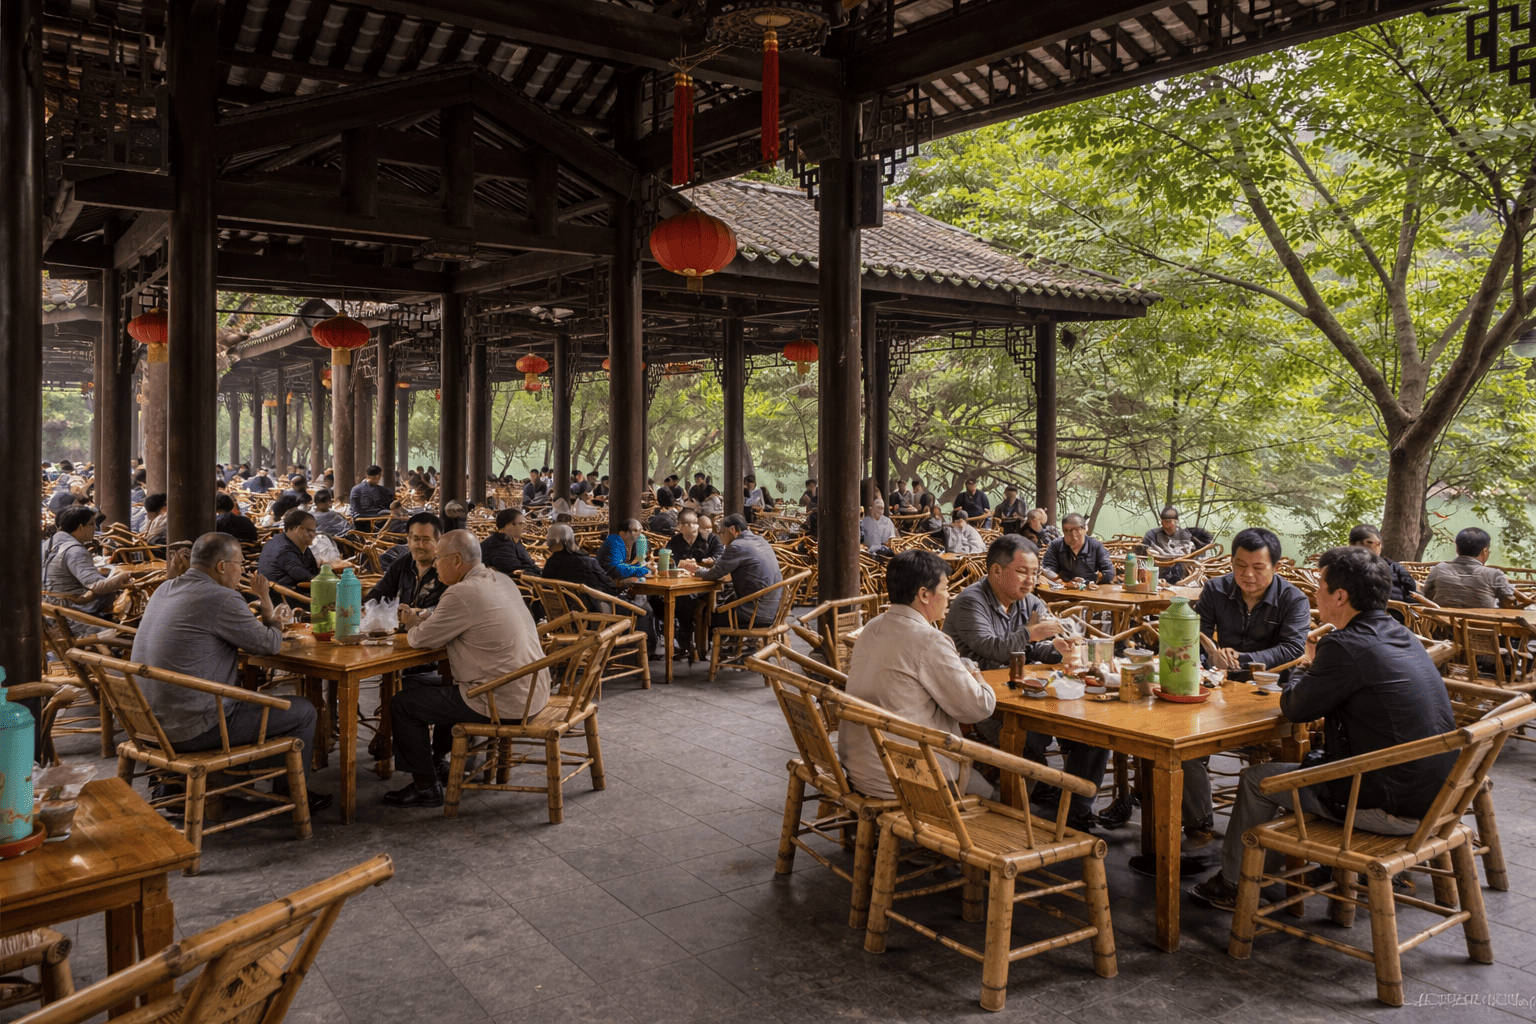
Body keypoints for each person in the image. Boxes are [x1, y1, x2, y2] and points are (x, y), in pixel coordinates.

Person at [1188, 546, 1457, 910]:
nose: (1316, 592)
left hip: (1388, 805)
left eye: (1321, 585)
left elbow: (1295, 708)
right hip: (1440, 798)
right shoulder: (1401, 634)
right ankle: (1273, 869)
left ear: (1340, 596)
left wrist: (1307, 664)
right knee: (1300, 771)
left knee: (1257, 780)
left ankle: (1234, 883)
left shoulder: (1346, 645)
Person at [130, 532, 329, 811]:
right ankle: (292, 796)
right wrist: (268, 606)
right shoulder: (221, 598)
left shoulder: (164, 589)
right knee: (303, 711)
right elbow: (269, 644)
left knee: (253, 702)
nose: (243, 571)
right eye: (240, 564)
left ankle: (189, 782)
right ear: (222, 566)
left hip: (147, 723)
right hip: (193, 729)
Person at [943, 536, 1105, 829]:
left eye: (1035, 572)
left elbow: (1036, 648)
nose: (1031, 580)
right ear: (995, 571)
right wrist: (1031, 634)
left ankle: (1076, 810)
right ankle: (1023, 811)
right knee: (1028, 740)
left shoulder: (1029, 601)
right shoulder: (970, 602)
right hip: (982, 701)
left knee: (1092, 732)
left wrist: (1057, 648)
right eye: (1021, 572)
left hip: (1027, 693)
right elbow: (991, 647)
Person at [384, 531, 550, 807]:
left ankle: (425, 786)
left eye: (438, 558)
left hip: (501, 699)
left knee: (403, 704)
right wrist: (424, 616)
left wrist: (412, 622)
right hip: (532, 689)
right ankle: (436, 762)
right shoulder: (501, 579)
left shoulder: (460, 592)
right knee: (430, 686)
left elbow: (419, 640)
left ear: (457, 560)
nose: (435, 564)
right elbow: (456, 617)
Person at [1181, 527, 1312, 845]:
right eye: (1240, 565)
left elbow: (1293, 648)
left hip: (1269, 695)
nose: (1247, 575)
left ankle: (1270, 831)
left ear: (1275, 567)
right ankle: (1199, 821)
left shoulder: (1292, 599)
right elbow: (1197, 634)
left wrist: (1243, 659)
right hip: (1219, 689)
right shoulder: (1216, 589)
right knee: (1180, 743)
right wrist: (1208, 657)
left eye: (1257, 567)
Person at [840, 550, 997, 799]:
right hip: (907, 777)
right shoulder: (929, 640)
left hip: (861, 766)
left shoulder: (872, 626)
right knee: (998, 795)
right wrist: (975, 673)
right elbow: (979, 707)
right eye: (945, 588)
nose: (949, 596)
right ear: (924, 594)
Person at [685, 513, 783, 627]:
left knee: (708, 616)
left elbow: (714, 574)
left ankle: (706, 638)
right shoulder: (761, 540)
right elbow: (725, 564)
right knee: (725, 602)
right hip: (774, 610)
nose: (721, 537)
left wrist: (694, 571)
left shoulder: (737, 545)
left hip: (754, 613)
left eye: (722, 533)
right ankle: (732, 638)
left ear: (732, 529)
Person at [43, 505, 131, 629]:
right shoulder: (75, 550)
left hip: (47, 610)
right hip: (71, 615)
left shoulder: (47, 544)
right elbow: (97, 586)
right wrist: (126, 575)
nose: (95, 528)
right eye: (91, 524)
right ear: (80, 527)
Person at [1424, 526, 1523, 609]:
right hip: (1484, 626)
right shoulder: (1494, 575)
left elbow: (1427, 596)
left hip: (1443, 624)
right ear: (1484, 551)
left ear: (1457, 548)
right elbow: (1508, 603)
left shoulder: (1439, 569)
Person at [366, 512, 446, 610]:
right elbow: (378, 594)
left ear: (439, 541)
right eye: (416, 539)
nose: (420, 545)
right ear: (408, 540)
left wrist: (419, 613)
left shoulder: (447, 570)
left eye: (426, 540)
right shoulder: (402, 564)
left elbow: (449, 608)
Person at [1349, 524, 1424, 606]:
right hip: (1396, 609)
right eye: (1370, 542)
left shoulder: (1345, 566)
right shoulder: (1392, 566)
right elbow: (1411, 587)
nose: (1378, 545)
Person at [258, 508, 324, 593]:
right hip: (286, 597)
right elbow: (306, 577)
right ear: (299, 529)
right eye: (311, 531)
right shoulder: (285, 551)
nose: (314, 535)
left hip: (288, 592)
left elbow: (313, 570)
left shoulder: (284, 541)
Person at [1041, 513, 1114, 584]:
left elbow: (1109, 572)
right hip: (1062, 587)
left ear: (1085, 529)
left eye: (1077, 531)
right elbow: (1048, 568)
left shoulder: (1095, 546)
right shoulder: (1056, 545)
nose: (1073, 536)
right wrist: (1062, 581)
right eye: (1067, 531)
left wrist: (1090, 581)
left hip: (1089, 588)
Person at [481, 508, 542, 579]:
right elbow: (513, 570)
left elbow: (529, 564)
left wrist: (541, 572)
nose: (524, 527)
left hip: (529, 579)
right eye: (521, 524)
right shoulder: (498, 543)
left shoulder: (513, 540)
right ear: (509, 525)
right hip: (516, 583)